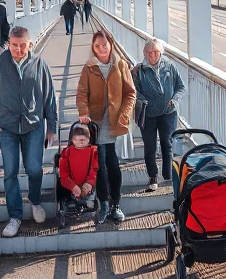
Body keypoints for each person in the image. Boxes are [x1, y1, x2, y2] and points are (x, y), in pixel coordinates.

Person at [0, 26, 58, 238]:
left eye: (22, 45)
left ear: (30, 44)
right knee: (10, 172)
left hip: (33, 125)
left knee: (35, 169)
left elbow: (49, 99)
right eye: (14, 45)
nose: (18, 49)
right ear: (8, 44)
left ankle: (34, 200)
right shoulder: (0, 65)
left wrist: (51, 127)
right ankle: (15, 216)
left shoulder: (39, 64)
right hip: (7, 127)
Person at [77, 31, 136, 223]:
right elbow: (82, 93)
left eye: (104, 44)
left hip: (114, 120)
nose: (101, 48)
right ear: (92, 48)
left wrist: (124, 114)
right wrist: (84, 112)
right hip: (95, 124)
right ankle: (103, 203)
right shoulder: (89, 67)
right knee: (100, 165)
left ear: (111, 44)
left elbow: (130, 93)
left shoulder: (120, 65)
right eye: (97, 46)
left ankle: (115, 204)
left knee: (112, 163)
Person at [131, 38, 185, 191]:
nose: (152, 55)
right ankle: (152, 177)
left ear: (160, 52)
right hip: (148, 114)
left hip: (168, 113)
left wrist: (175, 100)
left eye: (155, 52)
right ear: (144, 53)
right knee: (150, 146)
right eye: (149, 52)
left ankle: (168, 176)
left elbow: (181, 87)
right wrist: (144, 101)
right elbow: (134, 91)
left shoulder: (169, 66)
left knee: (167, 144)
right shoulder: (139, 71)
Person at [58, 123, 99, 206]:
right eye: (76, 140)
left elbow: (95, 169)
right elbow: (63, 172)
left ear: (88, 140)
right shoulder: (66, 152)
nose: (79, 143)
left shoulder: (94, 152)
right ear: (72, 140)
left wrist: (89, 183)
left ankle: (89, 200)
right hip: (71, 184)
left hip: (89, 184)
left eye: (82, 140)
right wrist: (72, 186)